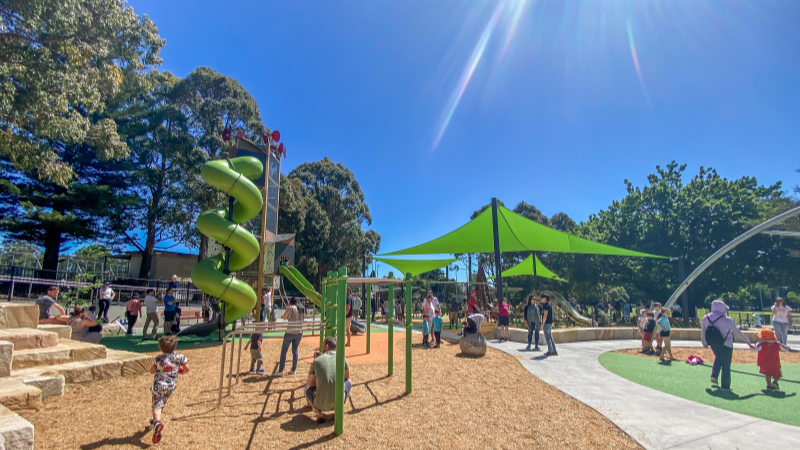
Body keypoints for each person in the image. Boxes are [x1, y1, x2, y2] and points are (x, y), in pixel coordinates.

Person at [701, 299, 753, 391]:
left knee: (718, 357)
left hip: (713, 342)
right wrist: (746, 340)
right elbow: (737, 332)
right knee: (726, 364)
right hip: (726, 343)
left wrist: (704, 342)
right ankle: (725, 386)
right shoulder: (727, 320)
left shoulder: (706, 318)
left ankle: (714, 375)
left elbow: (703, 332)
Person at [149, 335, 189, 444]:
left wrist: (156, 368)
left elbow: (152, 371)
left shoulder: (158, 358)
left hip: (159, 385)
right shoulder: (179, 357)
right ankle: (154, 421)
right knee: (162, 402)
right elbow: (186, 368)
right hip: (171, 386)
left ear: (161, 348)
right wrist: (180, 370)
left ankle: (157, 422)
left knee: (157, 404)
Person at [306, 337, 351, 423]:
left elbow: (310, 383)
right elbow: (347, 377)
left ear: (326, 346)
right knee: (349, 382)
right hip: (338, 401)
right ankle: (338, 410)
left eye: (323, 345)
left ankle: (317, 411)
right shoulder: (342, 359)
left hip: (319, 403)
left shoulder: (317, 361)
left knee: (308, 390)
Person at [274, 297, 303, 376]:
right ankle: (293, 369)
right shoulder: (302, 309)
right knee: (295, 351)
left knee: (284, 351)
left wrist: (287, 307)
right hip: (299, 332)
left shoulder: (290, 308)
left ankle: (281, 370)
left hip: (290, 332)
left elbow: (284, 317)